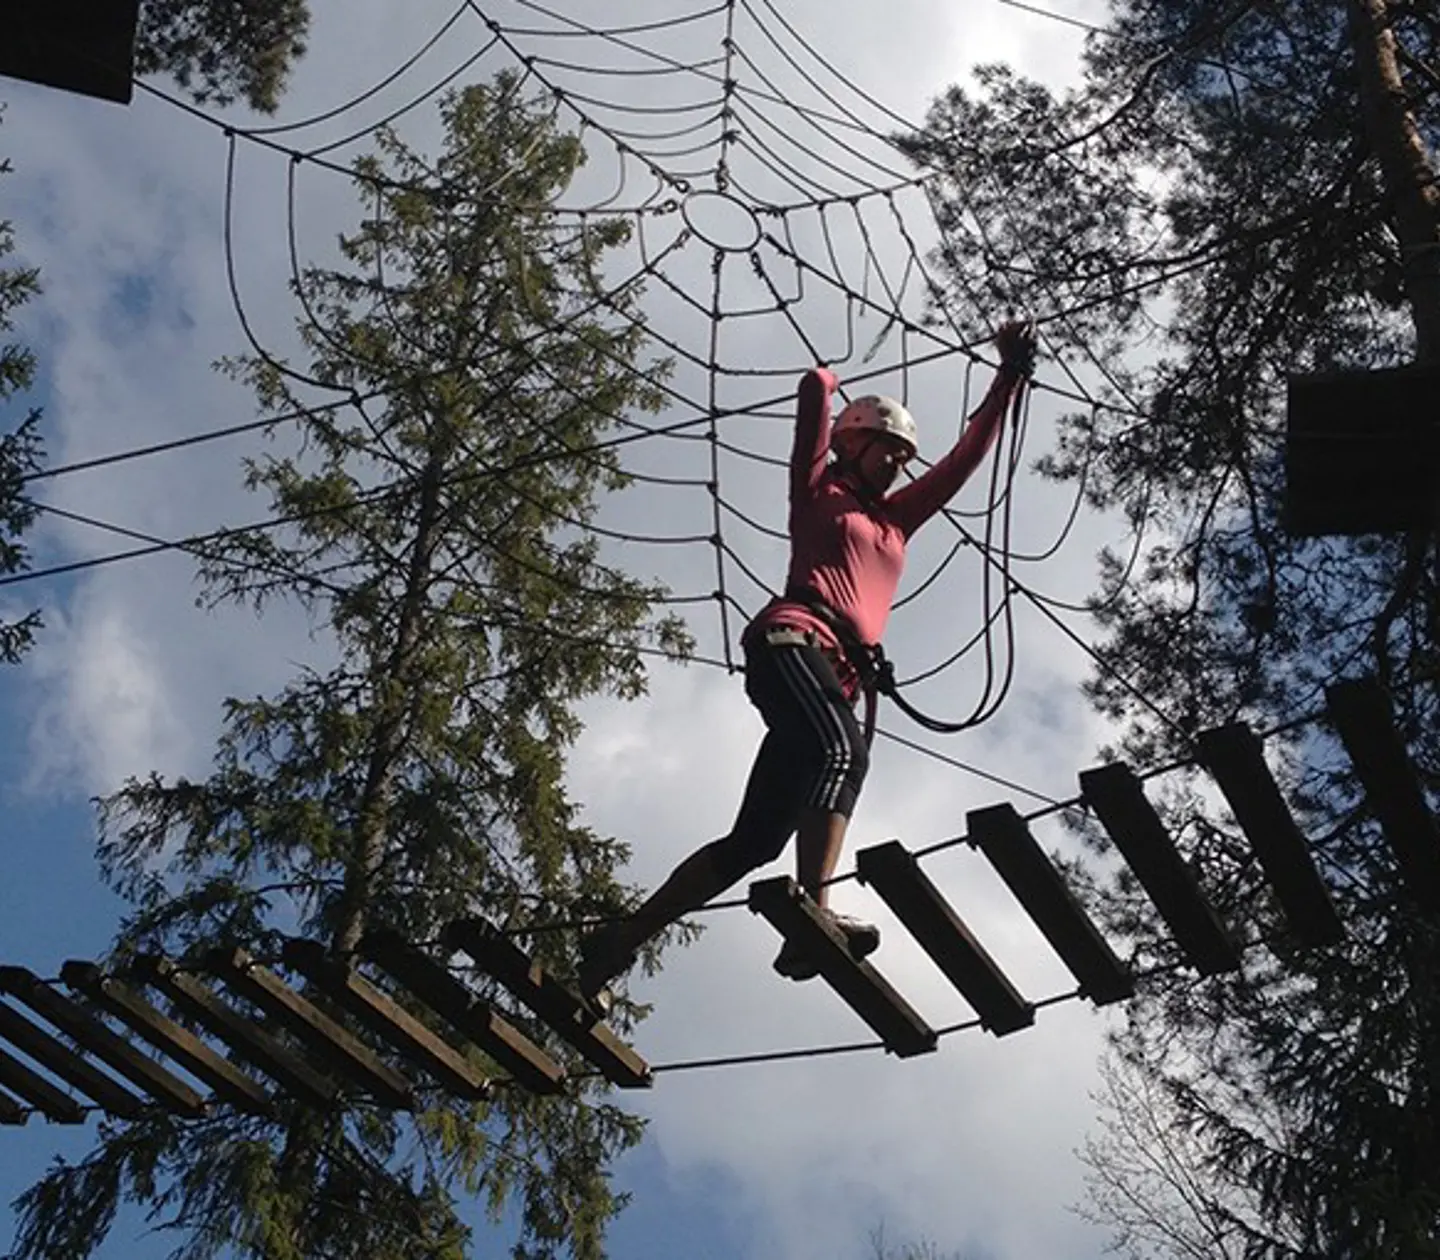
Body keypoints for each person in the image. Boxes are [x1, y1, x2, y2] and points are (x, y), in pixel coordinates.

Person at [578, 321, 1038, 994]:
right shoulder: (819, 491)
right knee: (843, 752)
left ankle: (619, 942)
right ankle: (814, 915)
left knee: (756, 841)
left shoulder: (897, 521)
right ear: (852, 443)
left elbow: (964, 459)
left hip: (834, 675)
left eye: (904, 456)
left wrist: (1009, 377)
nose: (898, 464)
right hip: (793, 640)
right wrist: (824, 381)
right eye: (887, 449)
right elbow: (811, 409)